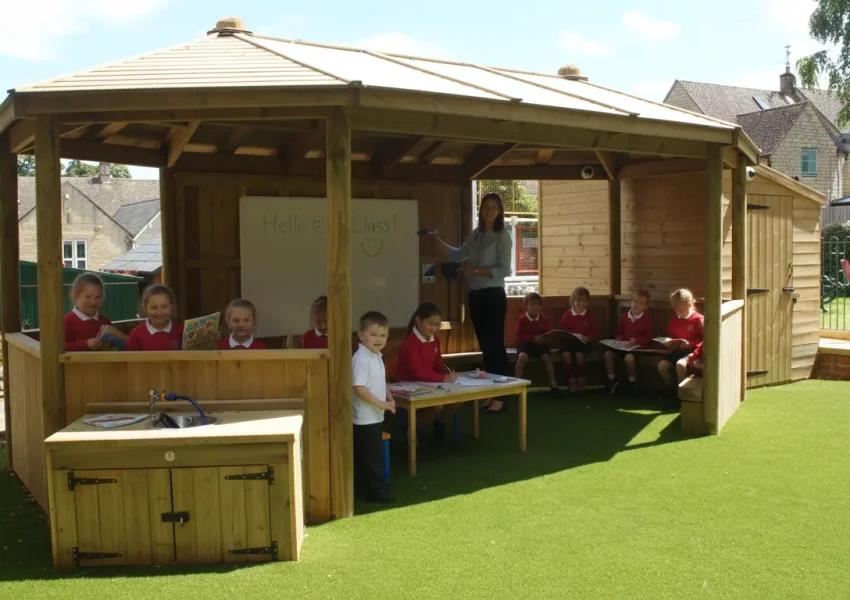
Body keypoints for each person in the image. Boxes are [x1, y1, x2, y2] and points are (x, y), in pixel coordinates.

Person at [429, 192, 512, 412]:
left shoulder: (502, 236)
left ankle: (503, 397)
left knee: (495, 346)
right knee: (486, 347)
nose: (490, 210)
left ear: (500, 211)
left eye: (494, 207)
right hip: (476, 296)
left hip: (493, 296)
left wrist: (474, 270)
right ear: (481, 209)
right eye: (486, 206)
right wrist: (435, 239)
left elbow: (505, 270)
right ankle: (492, 394)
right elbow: (457, 254)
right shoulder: (476, 234)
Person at [396, 302, 458, 440]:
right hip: (409, 384)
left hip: (428, 383)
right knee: (436, 407)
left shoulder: (435, 339)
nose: (434, 328)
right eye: (430, 324)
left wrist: (447, 374)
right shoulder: (411, 342)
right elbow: (418, 372)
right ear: (418, 320)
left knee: (457, 400)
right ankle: (412, 429)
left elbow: (438, 364)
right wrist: (443, 379)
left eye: (437, 325)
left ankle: (439, 424)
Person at [352, 311, 396, 503]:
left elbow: (380, 381)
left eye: (383, 335)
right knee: (371, 456)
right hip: (365, 417)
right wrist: (382, 404)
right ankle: (376, 491)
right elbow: (359, 387)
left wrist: (389, 397)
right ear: (361, 335)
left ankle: (370, 486)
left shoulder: (376, 355)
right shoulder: (361, 358)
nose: (378, 339)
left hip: (375, 414)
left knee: (370, 453)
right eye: (373, 334)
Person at [604, 289, 654, 395]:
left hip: (637, 350)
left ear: (645, 306)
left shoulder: (646, 320)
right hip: (623, 347)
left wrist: (636, 341)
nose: (637, 305)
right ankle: (611, 380)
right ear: (631, 302)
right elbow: (619, 333)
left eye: (641, 303)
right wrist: (620, 339)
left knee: (629, 358)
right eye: (635, 301)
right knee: (608, 355)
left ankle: (632, 381)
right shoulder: (624, 317)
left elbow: (649, 337)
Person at [657, 288, 704, 397]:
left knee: (680, 365)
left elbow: (704, 339)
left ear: (690, 305)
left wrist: (690, 343)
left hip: (693, 352)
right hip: (677, 350)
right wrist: (670, 342)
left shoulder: (698, 319)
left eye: (682, 310)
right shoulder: (675, 320)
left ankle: (683, 394)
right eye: (677, 310)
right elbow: (672, 335)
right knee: (662, 366)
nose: (679, 313)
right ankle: (673, 390)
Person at [515, 292, 558, 392]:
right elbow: (520, 336)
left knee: (547, 358)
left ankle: (554, 384)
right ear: (526, 306)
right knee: (522, 357)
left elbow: (548, 333)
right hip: (526, 345)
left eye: (538, 304)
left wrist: (544, 338)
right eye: (532, 304)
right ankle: (516, 385)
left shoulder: (544, 319)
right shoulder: (521, 319)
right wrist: (533, 338)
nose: (535, 307)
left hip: (540, 345)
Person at [559, 287, 599, 392]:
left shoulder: (590, 316)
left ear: (587, 302)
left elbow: (594, 332)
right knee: (566, 355)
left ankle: (581, 379)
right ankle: (571, 379)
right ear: (573, 301)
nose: (580, 303)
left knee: (579, 355)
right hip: (570, 342)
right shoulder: (567, 314)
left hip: (584, 343)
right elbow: (563, 331)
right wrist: (569, 335)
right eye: (578, 300)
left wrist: (588, 337)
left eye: (584, 301)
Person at [127, 284, 183, 351]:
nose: (159, 312)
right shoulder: (136, 334)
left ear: (171, 307)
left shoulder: (182, 331)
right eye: (154, 307)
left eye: (164, 307)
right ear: (145, 308)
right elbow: (131, 359)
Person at [64, 273, 112, 351]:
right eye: (88, 297)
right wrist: (85, 344)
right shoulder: (67, 321)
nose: (93, 302)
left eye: (98, 297)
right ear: (75, 296)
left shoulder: (105, 321)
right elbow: (60, 347)